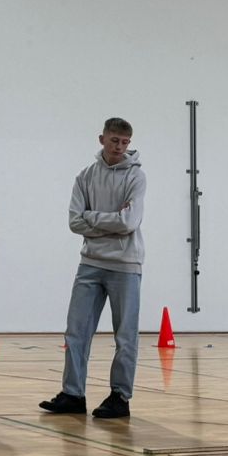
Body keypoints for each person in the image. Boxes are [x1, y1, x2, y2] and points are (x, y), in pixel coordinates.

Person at [41, 118, 147, 421]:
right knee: (76, 332)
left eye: (125, 142)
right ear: (102, 139)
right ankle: (73, 394)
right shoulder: (85, 176)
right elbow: (75, 222)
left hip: (126, 265)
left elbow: (129, 222)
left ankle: (120, 397)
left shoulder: (136, 177)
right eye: (114, 140)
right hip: (90, 263)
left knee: (125, 336)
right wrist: (109, 220)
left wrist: (92, 217)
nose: (119, 147)